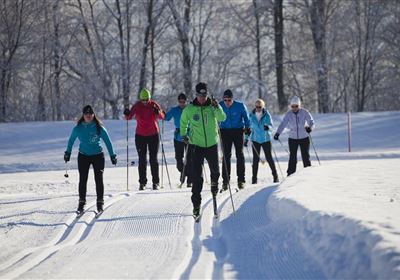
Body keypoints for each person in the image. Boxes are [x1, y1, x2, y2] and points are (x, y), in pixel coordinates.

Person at [180, 82, 226, 217]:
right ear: (196, 94)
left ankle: (214, 185)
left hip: (212, 144)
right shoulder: (190, 108)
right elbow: (183, 122)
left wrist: (217, 107)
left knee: (215, 172)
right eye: (200, 95)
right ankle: (196, 204)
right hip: (196, 145)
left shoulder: (212, 107)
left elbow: (222, 118)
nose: (202, 98)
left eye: (204, 95)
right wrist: (184, 135)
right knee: (197, 177)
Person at [64, 105, 117, 214]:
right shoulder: (78, 128)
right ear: (83, 115)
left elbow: (108, 142)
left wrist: (112, 155)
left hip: (98, 156)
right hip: (83, 156)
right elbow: (71, 141)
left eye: (90, 114)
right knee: (83, 179)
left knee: (99, 179)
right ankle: (81, 203)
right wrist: (68, 153)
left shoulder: (99, 127)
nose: (88, 116)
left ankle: (100, 203)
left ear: (93, 115)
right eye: (86, 114)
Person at [124, 88, 165, 190]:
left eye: (147, 99)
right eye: (143, 100)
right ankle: (142, 182)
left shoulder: (154, 105)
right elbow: (129, 117)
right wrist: (127, 113)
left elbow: (162, 116)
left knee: (153, 159)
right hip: (140, 136)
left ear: (149, 98)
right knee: (142, 159)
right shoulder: (137, 106)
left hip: (153, 135)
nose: (145, 102)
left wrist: (158, 112)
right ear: (140, 99)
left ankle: (156, 182)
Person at [274, 96, 315, 176]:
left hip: (304, 137)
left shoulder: (304, 112)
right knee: (292, 157)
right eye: (292, 106)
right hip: (293, 138)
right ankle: (290, 175)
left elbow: (312, 122)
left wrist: (310, 128)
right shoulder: (289, 114)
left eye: (296, 106)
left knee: (305, 156)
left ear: (299, 105)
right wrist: (277, 133)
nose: (294, 108)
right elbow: (283, 124)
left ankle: (308, 174)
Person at [219, 89, 251, 190]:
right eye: (225, 100)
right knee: (226, 156)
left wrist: (247, 127)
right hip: (224, 131)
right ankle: (225, 181)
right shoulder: (220, 106)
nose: (227, 102)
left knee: (239, 155)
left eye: (229, 100)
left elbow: (247, 117)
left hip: (237, 131)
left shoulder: (240, 105)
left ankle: (241, 180)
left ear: (232, 99)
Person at [246, 99, 278, 184]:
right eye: (256, 107)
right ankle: (254, 179)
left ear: (263, 107)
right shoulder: (251, 115)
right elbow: (248, 128)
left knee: (269, 158)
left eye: (260, 107)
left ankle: (275, 176)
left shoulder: (267, 115)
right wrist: (246, 139)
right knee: (255, 160)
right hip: (255, 139)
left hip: (265, 139)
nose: (258, 108)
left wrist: (268, 127)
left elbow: (272, 126)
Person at [165, 93, 192, 187]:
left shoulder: (190, 109)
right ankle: (184, 173)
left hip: (189, 136)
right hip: (178, 137)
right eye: (180, 101)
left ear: (186, 101)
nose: (182, 103)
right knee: (178, 160)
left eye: (183, 101)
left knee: (189, 159)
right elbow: (165, 117)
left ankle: (190, 180)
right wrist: (159, 112)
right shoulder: (174, 110)